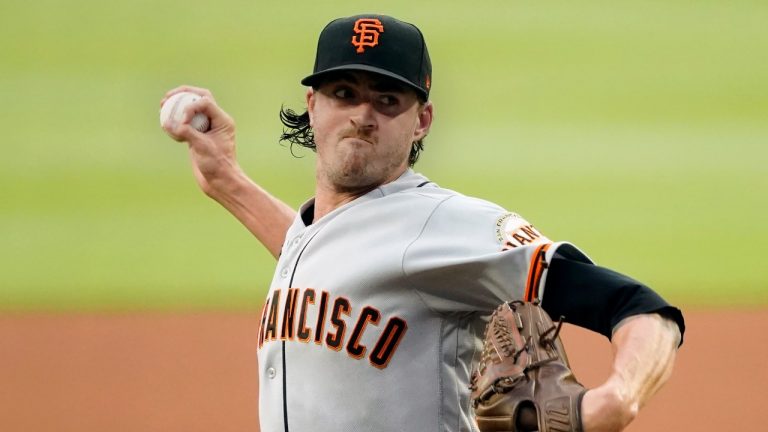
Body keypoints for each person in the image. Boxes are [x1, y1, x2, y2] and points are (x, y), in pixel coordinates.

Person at [161, 14, 684, 432]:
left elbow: (638, 308)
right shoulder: (321, 229)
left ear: (422, 121)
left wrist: (617, 400)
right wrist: (226, 180)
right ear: (313, 105)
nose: (362, 115)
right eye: (344, 93)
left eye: (386, 100)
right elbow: (332, 258)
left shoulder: (446, 225)